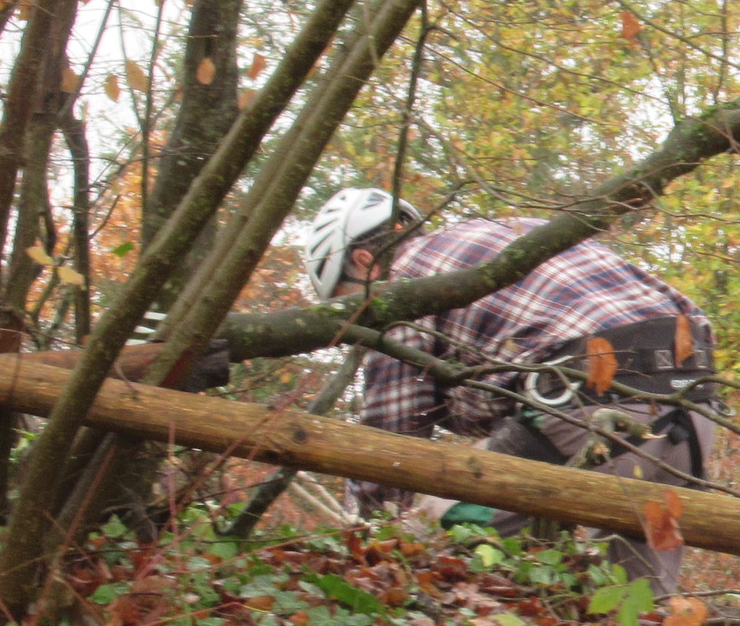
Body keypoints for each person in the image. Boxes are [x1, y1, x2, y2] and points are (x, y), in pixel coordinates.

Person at [304, 189, 715, 589]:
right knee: (636, 605)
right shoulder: (505, 232)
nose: (359, 324)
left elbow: (392, 448)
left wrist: (367, 540)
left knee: (421, 546)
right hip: (691, 406)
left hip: (584, 403)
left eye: (347, 302)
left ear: (363, 263)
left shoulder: (402, 286)